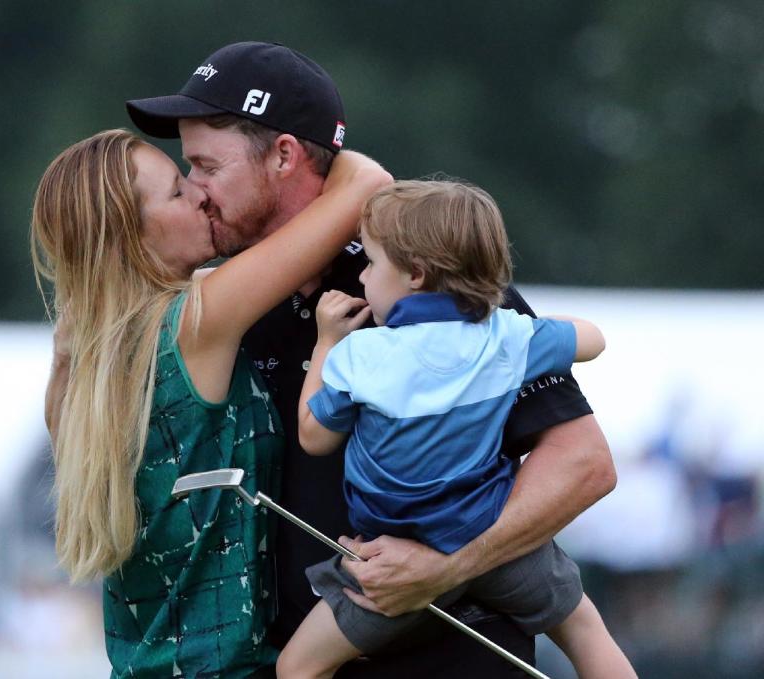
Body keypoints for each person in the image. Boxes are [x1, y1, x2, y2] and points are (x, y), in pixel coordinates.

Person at [127, 41, 618, 676]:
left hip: (453, 658)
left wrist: (446, 567)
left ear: (282, 155)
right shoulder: (228, 303)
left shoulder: (427, 276)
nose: (195, 191)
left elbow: (583, 463)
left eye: (205, 166)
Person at [32, 128, 390, 677]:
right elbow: (368, 182)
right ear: (130, 234)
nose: (200, 193)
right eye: (176, 191)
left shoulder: (79, 369)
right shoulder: (194, 322)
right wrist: (303, 149)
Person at [276, 179, 636, 679]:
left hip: (393, 564)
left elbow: (315, 434)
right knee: (584, 630)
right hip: (496, 543)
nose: (362, 276)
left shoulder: (362, 354)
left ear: (416, 274)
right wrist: (530, 327)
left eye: (373, 262)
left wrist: (325, 343)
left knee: (298, 666)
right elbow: (593, 341)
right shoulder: (506, 337)